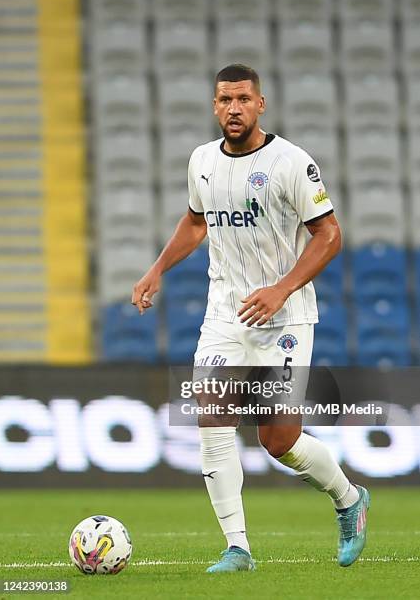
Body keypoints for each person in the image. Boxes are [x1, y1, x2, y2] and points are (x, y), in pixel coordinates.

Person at [132, 64, 370, 573]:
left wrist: (281, 289)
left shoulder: (291, 163)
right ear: (214, 106)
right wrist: (157, 269)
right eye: (224, 100)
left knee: (277, 439)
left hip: (286, 319)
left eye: (243, 98)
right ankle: (237, 548)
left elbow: (329, 235)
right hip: (224, 314)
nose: (233, 108)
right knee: (211, 417)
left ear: (260, 104)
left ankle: (349, 499)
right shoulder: (201, 161)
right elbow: (196, 221)